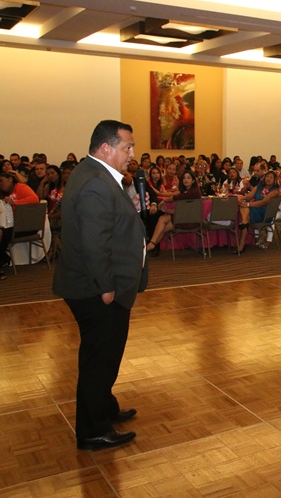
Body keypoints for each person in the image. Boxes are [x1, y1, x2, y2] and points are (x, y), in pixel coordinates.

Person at [52, 120, 146, 451]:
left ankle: (104, 407)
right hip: (97, 289)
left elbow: (104, 224)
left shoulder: (93, 173)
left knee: (103, 354)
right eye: (127, 147)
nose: (131, 154)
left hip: (92, 284)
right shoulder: (96, 182)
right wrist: (106, 288)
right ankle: (92, 431)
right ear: (106, 148)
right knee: (100, 359)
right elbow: (95, 243)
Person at [146, 170, 203, 254]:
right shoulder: (186, 191)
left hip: (189, 220)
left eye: (188, 178)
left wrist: (164, 201)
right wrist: (168, 209)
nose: (186, 180)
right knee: (162, 228)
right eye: (184, 178)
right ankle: (151, 246)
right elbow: (181, 209)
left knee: (162, 219)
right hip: (183, 218)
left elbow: (177, 198)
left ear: (193, 181)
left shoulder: (194, 192)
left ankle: (150, 245)